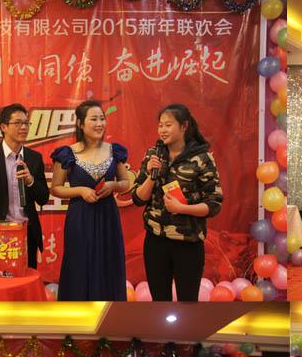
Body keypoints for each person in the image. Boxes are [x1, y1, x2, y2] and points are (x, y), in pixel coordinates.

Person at [130, 104, 223, 302]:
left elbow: (214, 203)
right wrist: (151, 176)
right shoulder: (153, 154)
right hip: (155, 241)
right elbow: (138, 198)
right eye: (160, 125)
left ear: (184, 126)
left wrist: (182, 209)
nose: (162, 130)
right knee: (159, 301)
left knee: (187, 302)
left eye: (168, 125)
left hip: (187, 243)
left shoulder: (202, 158)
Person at [51, 100, 129, 301]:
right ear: (80, 124)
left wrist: (114, 185)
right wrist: (80, 191)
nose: (99, 124)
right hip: (80, 217)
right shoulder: (67, 154)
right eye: (93, 119)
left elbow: (126, 183)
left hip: (108, 217)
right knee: (79, 263)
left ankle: (109, 312)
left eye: (102, 119)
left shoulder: (114, 151)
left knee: (108, 262)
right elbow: (56, 188)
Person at [0, 104, 49, 270]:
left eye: (26, 123)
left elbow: (43, 198)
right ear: (3, 127)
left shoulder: (34, 158)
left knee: (25, 279)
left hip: (26, 234)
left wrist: (31, 181)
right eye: (18, 123)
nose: (24, 127)